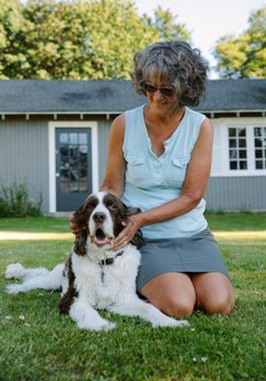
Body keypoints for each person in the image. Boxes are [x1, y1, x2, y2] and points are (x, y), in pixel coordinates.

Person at [71, 41, 234, 318]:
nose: (156, 97)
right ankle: (162, 278)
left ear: (186, 90)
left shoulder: (200, 127)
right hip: (145, 238)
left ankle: (178, 279)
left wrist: (141, 218)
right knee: (179, 305)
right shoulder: (123, 124)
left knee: (218, 304)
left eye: (167, 90)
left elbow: (191, 196)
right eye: (149, 86)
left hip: (192, 235)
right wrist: (93, 213)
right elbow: (112, 185)